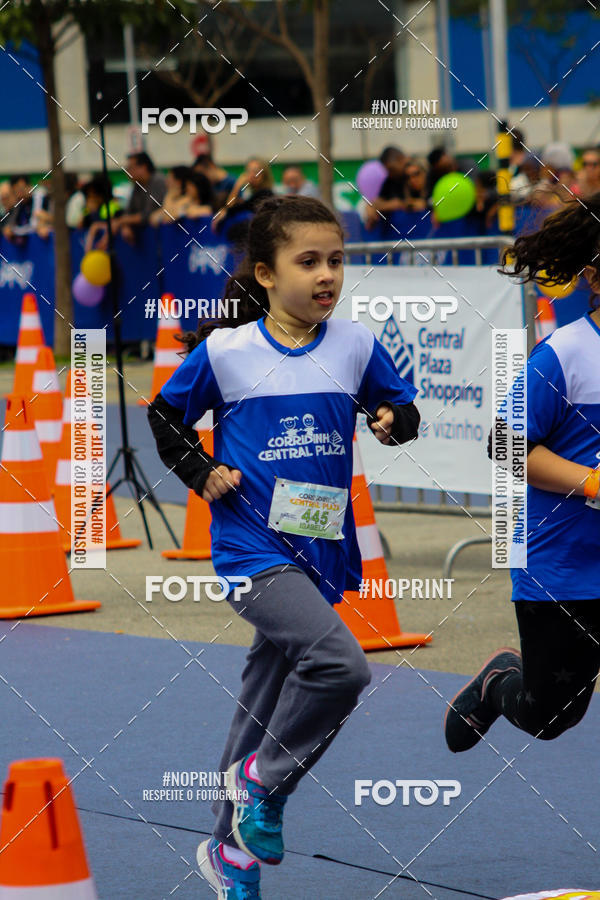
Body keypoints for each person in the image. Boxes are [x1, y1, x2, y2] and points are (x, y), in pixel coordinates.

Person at [147, 195, 421, 898]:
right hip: (251, 548)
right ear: (266, 274)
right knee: (340, 668)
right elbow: (166, 416)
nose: (327, 275)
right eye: (309, 262)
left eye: (336, 260)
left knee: (265, 698)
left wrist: (394, 420)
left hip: (321, 547)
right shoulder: (228, 352)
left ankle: (226, 847)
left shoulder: (354, 344)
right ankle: (260, 785)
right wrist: (201, 471)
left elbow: (400, 406)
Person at [445, 194, 600, 754]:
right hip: (564, 568)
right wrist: (593, 482)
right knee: (550, 716)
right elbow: (506, 445)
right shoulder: (566, 354)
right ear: (593, 278)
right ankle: (498, 682)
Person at [213, 157, 275, 243]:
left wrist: (237, 185)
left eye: (256, 171)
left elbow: (232, 208)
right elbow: (231, 206)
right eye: (249, 171)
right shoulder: (251, 194)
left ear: (264, 174)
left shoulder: (265, 194)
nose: (252, 175)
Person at [110, 151, 167, 243]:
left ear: (143, 167)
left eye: (130, 168)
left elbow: (148, 215)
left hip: (162, 239)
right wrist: (125, 226)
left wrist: (121, 222)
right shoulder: (138, 185)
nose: (127, 171)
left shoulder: (158, 181)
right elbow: (129, 212)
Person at [365, 146, 406, 229]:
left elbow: (401, 203)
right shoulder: (391, 179)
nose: (389, 173)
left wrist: (378, 207)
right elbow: (380, 199)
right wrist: (370, 206)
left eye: (391, 169)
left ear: (401, 160)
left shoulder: (413, 175)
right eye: (387, 170)